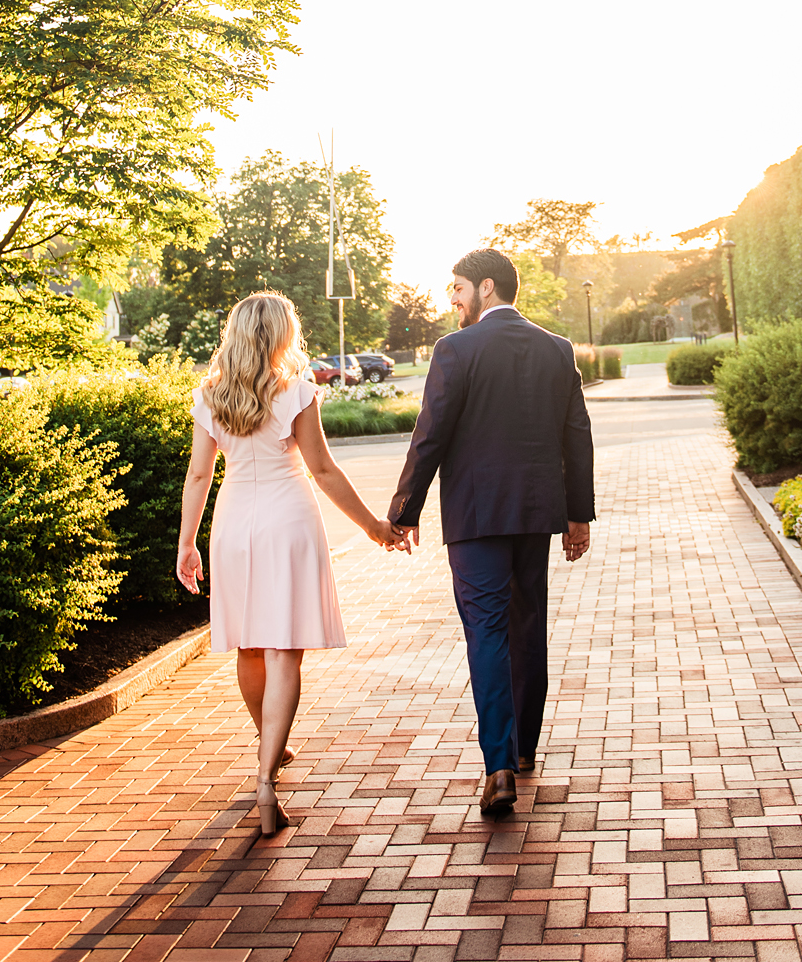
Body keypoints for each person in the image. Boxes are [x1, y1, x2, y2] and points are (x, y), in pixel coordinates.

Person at [176, 290, 410, 835]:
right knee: (285, 651)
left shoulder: (210, 394)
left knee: (250, 646)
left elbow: (198, 476)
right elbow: (323, 470)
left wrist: (187, 543)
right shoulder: (298, 389)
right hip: (288, 520)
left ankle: (269, 747)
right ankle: (265, 779)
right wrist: (374, 526)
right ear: (282, 334)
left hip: (233, 523)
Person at [387, 247, 594, 818]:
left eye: (457, 288)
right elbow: (577, 436)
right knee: (529, 626)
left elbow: (429, 436)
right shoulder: (557, 350)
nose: (451, 299)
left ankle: (498, 765)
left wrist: (405, 511)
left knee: (487, 631)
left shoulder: (455, 349)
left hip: (477, 517)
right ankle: (524, 749)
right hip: (536, 514)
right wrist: (577, 514)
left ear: (486, 287)